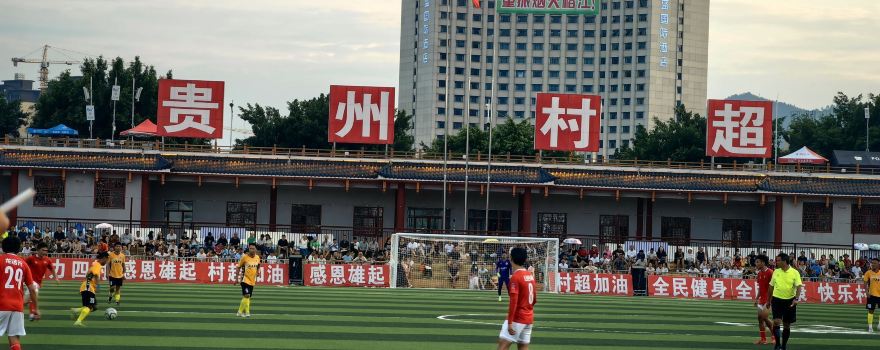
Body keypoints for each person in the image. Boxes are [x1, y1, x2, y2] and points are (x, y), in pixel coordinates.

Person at [2, 234, 41, 350]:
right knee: (14, 338)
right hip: (17, 306)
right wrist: (36, 309)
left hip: (1, 303)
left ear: (3, 247)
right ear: (19, 248)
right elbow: (32, 289)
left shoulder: (0, 260)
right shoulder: (23, 264)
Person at [497, 247, 536, 350]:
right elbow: (534, 299)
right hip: (529, 318)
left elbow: (513, 302)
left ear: (511, 258)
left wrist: (510, 322)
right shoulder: (530, 275)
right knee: (523, 348)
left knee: (502, 347)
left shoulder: (516, 277)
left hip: (517, 318)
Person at [766, 253, 803, 350]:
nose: (776, 262)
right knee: (776, 322)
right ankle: (777, 344)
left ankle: (784, 345)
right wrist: (768, 300)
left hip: (790, 301)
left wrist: (796, 299)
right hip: (777, 299)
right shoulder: (776, 271)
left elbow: (799, 286)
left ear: (785, 261)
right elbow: (771, 286)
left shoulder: (795, 272)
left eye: (778, 260)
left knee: (786, 324)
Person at [71, 251, 109, 327]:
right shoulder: (97, 265)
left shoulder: (95, 264)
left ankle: (76, 310)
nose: (107, 262)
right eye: (107, 260)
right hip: (89, 288)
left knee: (94, 307)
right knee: (90, 306)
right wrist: (98, 286)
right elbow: (96, 275)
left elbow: (88, 275)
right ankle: (78, 321)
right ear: (104, 258)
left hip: (87, 287)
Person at [24, 243, 59, 321]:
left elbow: (52, 269)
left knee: (26, 301)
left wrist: (56, 277)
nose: (45, 252)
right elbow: (23, 264)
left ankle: (13, 307)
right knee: (34, 293)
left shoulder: (47, 260)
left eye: (46, 250)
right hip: (30, 281)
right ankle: (32, 314)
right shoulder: (31, 258)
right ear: (38, 250)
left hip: (38, 282)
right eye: (43, 250)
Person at [753, 255, 775, 345]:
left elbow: (774, 287)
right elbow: (760, 288)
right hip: (761, 299)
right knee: (760, 319)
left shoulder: (770, 272)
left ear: (763, 262)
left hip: (768, 299)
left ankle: (774, 336)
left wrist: (770, 299)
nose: (756, 264)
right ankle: (763, 339)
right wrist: (756, 298)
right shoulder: (759, 273)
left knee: (765, 317)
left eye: (757, 262)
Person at [236, 243, 261, 318]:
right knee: (247, 295)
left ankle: (239, 312)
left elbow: (258, 265)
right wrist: (236, 278)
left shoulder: (257, 257)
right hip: (244, 279)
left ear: (255, 249)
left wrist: (258, 272)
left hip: (252, 280)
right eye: (250, 248)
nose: (251, 250)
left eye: (253, 248)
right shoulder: (244, 257)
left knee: (247, 297)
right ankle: (247, 312)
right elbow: (238, 267)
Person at [864, 258, 880, 332]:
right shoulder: (868, 273)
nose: (873, 264)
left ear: (878, 264)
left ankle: (879, 324)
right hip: (871, 295)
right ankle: (870, 327)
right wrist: (866, 292)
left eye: (875, 263)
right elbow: (865, 283)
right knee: (871, 310)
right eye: (872, 263)